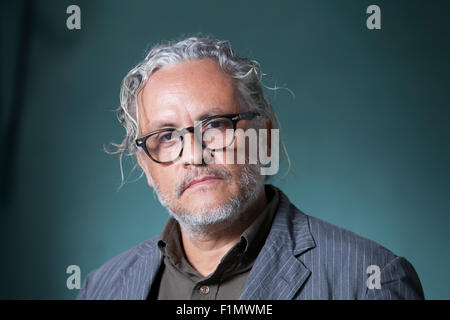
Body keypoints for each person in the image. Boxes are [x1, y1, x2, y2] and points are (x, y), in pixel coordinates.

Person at [77, 36, 424, 300]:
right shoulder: (101, 289)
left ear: (266, 137)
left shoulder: (369, 279)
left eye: (215, 125)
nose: (194, 154)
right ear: (146, 165)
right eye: (167, 136)